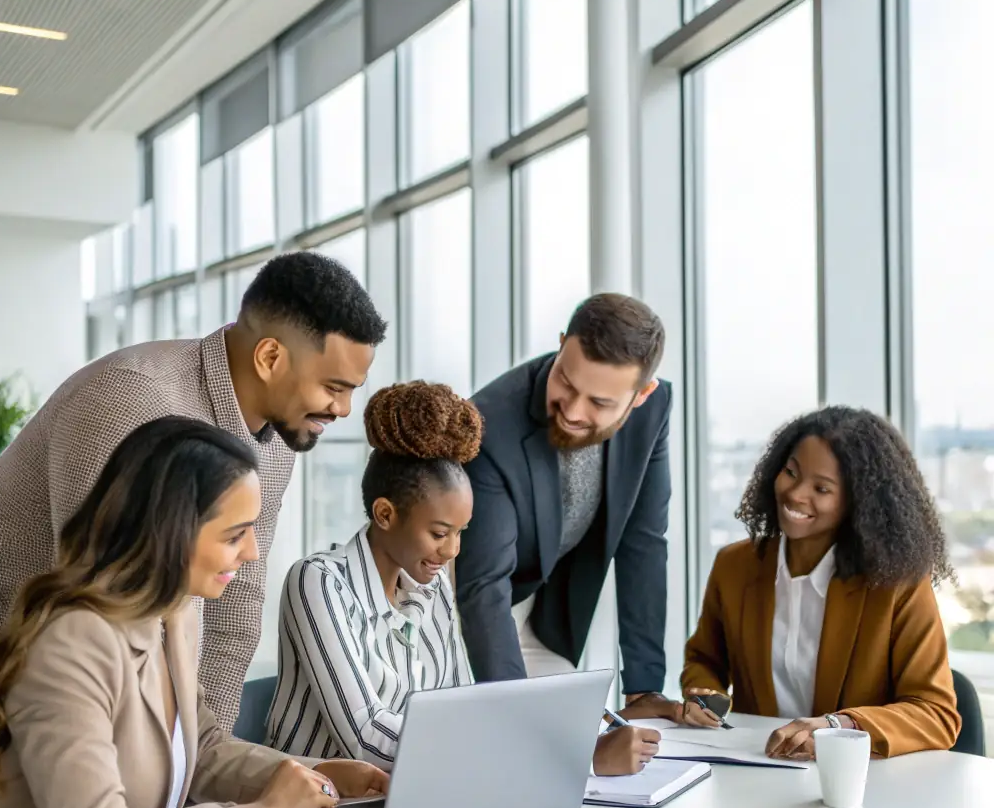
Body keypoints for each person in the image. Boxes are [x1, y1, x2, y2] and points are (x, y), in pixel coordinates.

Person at [0, 417, 387, 808]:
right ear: (172, 534)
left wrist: (309, 774)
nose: (253, 551)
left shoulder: (175, 614)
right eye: (235, 533)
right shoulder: (74, 640)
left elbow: (202, 747)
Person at [0, 251, 387, 731]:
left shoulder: (279, 435)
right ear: (270, 357)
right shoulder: (133, 397)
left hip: (65, 655)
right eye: (334, 386)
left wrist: (205, 757)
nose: (344, 408)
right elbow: (98, 596)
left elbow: (237, 603)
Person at [266, 381, 658, 776]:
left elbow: (461, 712)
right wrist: (572, 758)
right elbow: (368, 739)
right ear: (385, 514)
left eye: (461, 532)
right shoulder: (318, 582)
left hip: (411, 797)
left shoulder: (432, 587)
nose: (453, 551)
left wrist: (566, 736)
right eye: (439, 533)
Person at [671, 406, 959, 759]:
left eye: (821, 488)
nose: (795, 494)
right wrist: (704, 696)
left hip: (859, 784)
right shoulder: (735, 566)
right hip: (755, 770)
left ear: (858, 502)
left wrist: (838, 727)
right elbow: (705, 659)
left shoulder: (895, 584)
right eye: (791, 472)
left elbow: (936, 714)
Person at [455, 293, 676, 716]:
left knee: (581, 725)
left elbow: (644, 540)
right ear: (561, 345)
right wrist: (512, 712)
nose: (573, 411)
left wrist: (645, 688)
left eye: (599, 403)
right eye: (567, 383)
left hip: (538, 610)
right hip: (461, 615)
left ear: (642, 394)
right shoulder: (489, 425)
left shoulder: (655, 410)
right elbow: (483, 587)